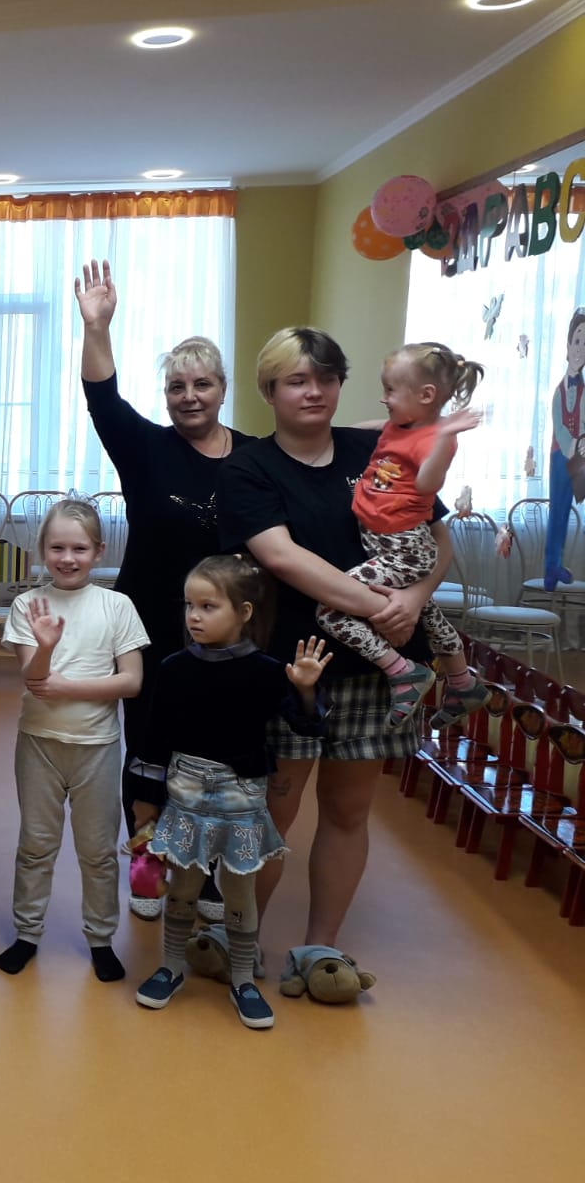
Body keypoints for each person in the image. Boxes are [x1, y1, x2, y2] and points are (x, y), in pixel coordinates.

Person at [217, 327, 453, 993]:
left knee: (349, 811)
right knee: (272, 812)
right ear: (270, 390)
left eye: (326, 378)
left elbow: (436, 535)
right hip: (293, 666)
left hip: (381, 670)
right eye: (297, 380)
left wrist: (417, 597)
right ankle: (241, 942)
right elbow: (282, 557)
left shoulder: (375, 449)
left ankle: (320, 948)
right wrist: (383, 604)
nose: (313, 391)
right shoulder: (248, 468)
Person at [75, 260, 252, 921]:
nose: (189, 396)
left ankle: (204, 874)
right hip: (146, 626)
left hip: (227, 637)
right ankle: (148, 865)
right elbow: (102, 397)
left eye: (202, 384)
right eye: (177, 386)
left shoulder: (254, 459)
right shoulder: (145, 447)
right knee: (148, 750)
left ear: (223, 388)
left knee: (215, 757)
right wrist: (97, 327)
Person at [131, 555, 330, 1031]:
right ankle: (170, 966)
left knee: (239, 893)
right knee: (183, 889)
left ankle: (242, 977)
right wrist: (144, 804)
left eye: (208, 606)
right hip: (185, 793)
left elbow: (305, 726)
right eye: (189, 605)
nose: (194, 616)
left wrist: (305, 690)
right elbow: (153, 738)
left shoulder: (267, 671)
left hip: (241, 798)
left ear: (243, 613)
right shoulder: (174, 667)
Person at [0, 499, 148, 983]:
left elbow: (131, 682)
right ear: (42, 549)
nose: (67, 558)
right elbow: (32, 678)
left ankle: (100, 939)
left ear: (98, 550)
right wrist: (44, 647)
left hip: (97, 747)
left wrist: (68, 687)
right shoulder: (27, 605)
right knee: (36, 845)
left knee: (98, 851)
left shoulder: (117, 605)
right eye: (57, 547)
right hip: (39, 744)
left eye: (79, 548)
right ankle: (27, 933)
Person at [316, 343, 486, 729]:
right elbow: (377, 430)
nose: (384, 397)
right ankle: (463, 683)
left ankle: (402, 671)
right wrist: (333, 433)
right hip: (389, 546)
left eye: (391, 390)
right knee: (426, 612)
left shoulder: (437, 439)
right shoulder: (402, 425)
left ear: (425, 395)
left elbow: (427, 483)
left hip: (403, 551)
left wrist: (445, 438)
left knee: (330, 608)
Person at [543, 309, 585, 590]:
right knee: (558, 510)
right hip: (562, 455)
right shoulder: (560, 389)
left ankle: (555, 564)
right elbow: (559, 425)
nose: (581, 349)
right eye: (578, 341)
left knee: (567, 509)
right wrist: (573, 446)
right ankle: (551, 567)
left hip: (578, 456)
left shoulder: (582, 388)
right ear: (569, 346)